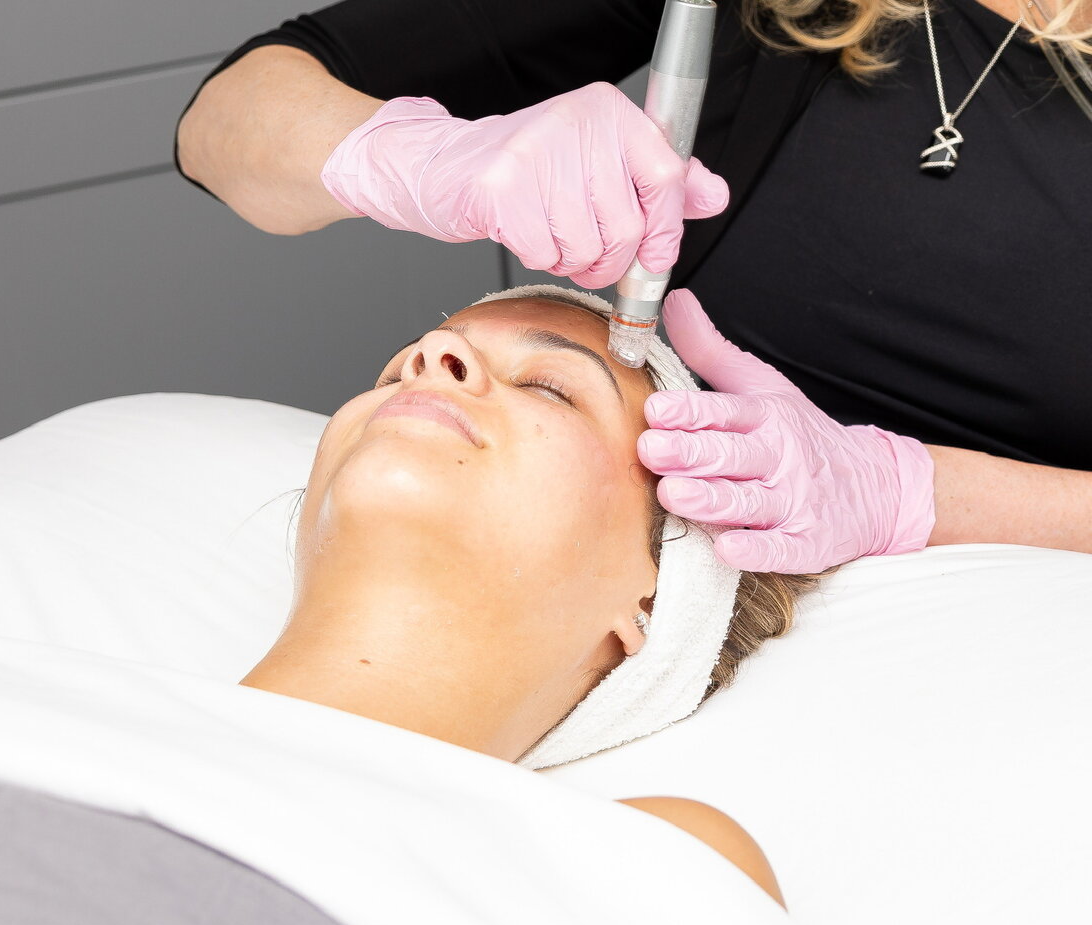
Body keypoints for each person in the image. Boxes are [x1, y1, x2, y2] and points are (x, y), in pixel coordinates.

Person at [174, 0, 1092, 576]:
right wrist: (420, 160)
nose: (434, 362)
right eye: (547, 383)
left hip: (1008, 609)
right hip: (671, 548)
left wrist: (906, 491)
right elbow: (227, 122)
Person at [238, 284, 828, 908]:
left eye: (551, 388)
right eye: (393, 373)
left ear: (659, 597)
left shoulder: (631, 872)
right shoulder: (121, 709)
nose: (432, 352)